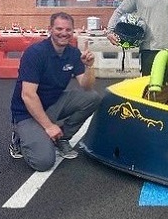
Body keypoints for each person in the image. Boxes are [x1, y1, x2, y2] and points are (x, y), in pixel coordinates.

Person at [9, 12, 101, 171]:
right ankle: (19, 137)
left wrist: (89, 66)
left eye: (68, 30)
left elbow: (86, 86)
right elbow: (28, 95)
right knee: (44, 162)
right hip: (27, 112)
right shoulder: (35, 53)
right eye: (59, 29)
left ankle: (62, 138)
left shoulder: (73, 54)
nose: (64, 33)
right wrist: (49, 127)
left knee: (92, 97)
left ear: (73, 31)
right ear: (50, 29)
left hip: (53, 104)